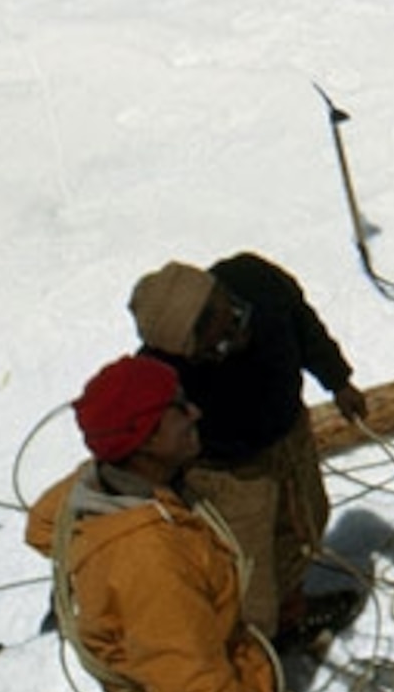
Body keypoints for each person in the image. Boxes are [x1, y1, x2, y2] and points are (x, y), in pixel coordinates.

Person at [128, 255, 367, 646]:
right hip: (226, 474)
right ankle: (249, 667)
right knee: (245, 574)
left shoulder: (257, 280)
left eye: (228, 331)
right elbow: (144, 446)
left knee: (306, 523)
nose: (226, 349)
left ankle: (290, 616)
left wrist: (338, 380)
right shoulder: (157, 374)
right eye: (210, 353)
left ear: (221, 298)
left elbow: (303, 326)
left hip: (291, 437)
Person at [26, 355, 281, 692]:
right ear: (144, 439)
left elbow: (43, 527)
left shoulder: (107, 486)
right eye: (178, 408)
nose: (195, 412)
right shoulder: (150, 561)